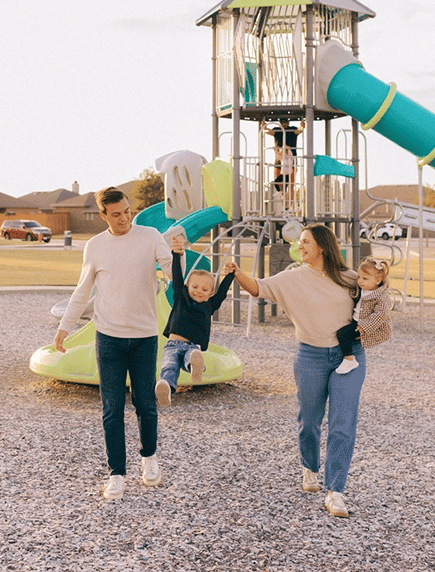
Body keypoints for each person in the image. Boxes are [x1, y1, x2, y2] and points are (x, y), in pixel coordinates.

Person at [226, 223, 365, 518]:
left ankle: (335, 491)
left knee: (343, 424)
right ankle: (309, 468)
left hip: (349, 358)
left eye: (305, 242)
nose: (299, 247)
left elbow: (376, 305)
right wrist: (237, 273)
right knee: (309, 421)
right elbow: (257, 287)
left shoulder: (350, 279)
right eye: (299, 242)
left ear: (323, 247)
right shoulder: (291, 278)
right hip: (310, 356)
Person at [53, 187, 174, 501]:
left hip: (145, 336)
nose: (124, 218)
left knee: (145, 403)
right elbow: (83, 292)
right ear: (103, 215)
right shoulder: (95, 246)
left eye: (127, 211)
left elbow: (172, 269)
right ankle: (116, 474)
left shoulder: (150, 237)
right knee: (111, 409)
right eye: (117, 214)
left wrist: (177, 257)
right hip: (109, 339)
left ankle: (149, 459)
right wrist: (65, 326)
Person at [155, 234, 236, 406]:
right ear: (187, 287)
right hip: (172, 346)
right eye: (195, 287)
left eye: (205, 289)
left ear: (210, 293)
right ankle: (166, 388)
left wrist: (229, 275)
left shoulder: (210, 305)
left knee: (189, 357)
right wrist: (176, 254)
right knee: (169, 367)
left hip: (192, 346)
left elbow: (222, 293)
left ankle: (195, 364)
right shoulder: (181, 297)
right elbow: (177, 276)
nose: (199, 291)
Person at [334, 258, 394, 375]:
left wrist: (365, 326)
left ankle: (349, 360)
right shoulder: (364, 289)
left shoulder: (382, 296)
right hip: (356, 320)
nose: (360, 281)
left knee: (343, 334)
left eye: (365, 278)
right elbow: (356, 297)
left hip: (363, 324)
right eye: (359, 277)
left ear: (377, 281)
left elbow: (381, 314)